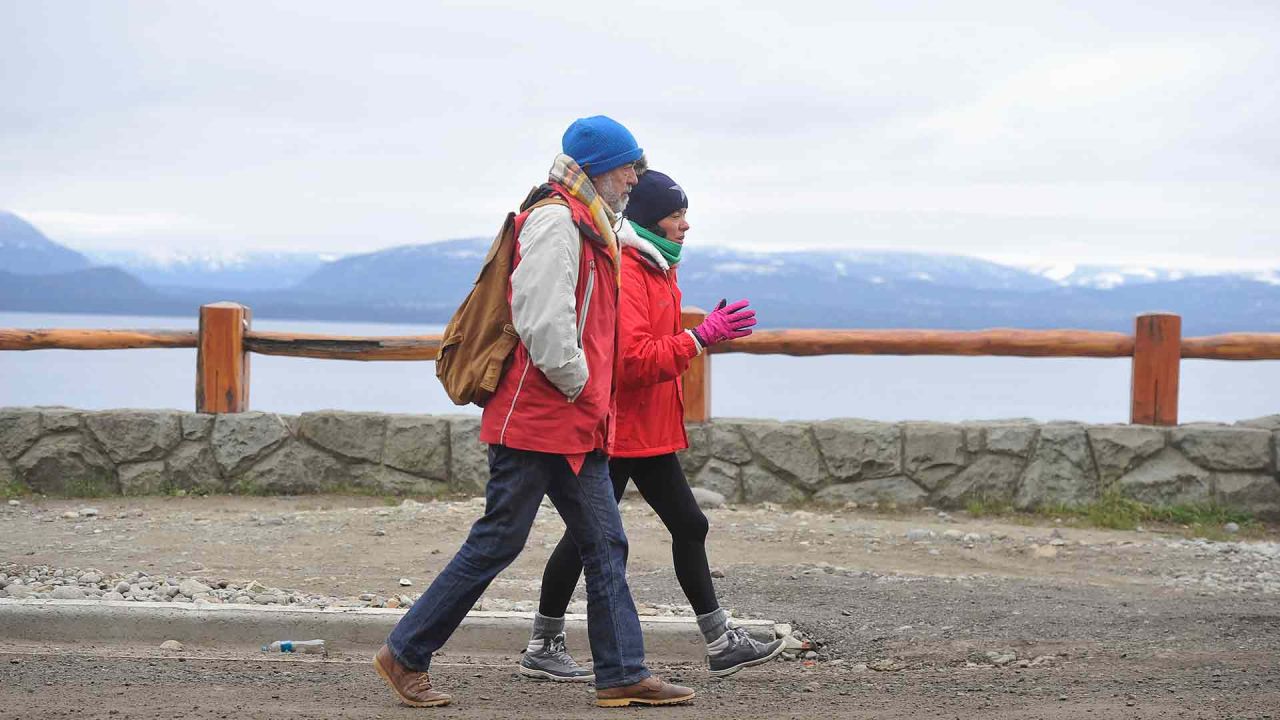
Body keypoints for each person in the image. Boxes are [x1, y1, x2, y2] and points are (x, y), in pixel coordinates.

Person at [373, 116, 694, 709]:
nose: (634, 178)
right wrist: (580, 382)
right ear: (598, 167)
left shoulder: (589, 222)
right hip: (539, 417)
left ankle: (622, 671)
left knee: (605, 545)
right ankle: (405, 653)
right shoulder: (556, 220)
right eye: (629, 167)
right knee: (499, 540)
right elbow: (542, 320)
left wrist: (587, 397)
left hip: (573, 420)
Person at [518, 168, 784, 683]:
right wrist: (700, 338)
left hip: (648, 430)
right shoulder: (632, 270)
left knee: (684, 525)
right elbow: (633, 361)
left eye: (686, 213)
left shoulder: (659, 265)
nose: (686, 224)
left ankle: (719, 641)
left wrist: (697, 334)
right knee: (590, 537)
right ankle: (545, 642)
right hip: (620, 431)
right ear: (649, 217)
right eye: (676, 213)